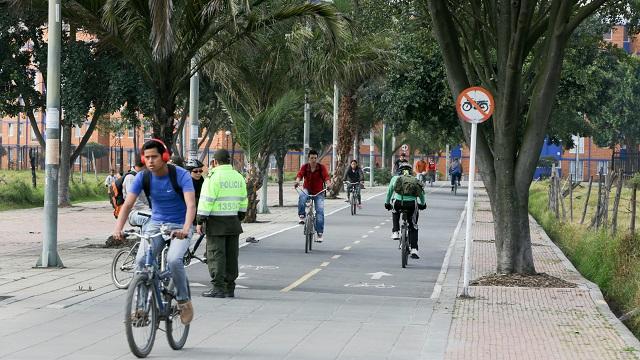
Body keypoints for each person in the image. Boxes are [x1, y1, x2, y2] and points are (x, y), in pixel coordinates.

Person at [112, 139, 196, 325]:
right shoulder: (143, 177)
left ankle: (183, 301)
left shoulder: (180, 175)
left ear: (164, 157)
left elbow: (191, 205)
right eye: (147, 157)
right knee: (141, 261)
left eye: (154, 157)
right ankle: (141, 309)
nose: (150, 161)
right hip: (156, 223)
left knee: (174, 260)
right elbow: (127, 205)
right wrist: (118, 228)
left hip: (181, 224)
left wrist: (185, 228)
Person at [196, 150, 247, 298]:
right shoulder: (238, 177)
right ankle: (229, 287)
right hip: (233, 223)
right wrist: (240, 215)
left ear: (215, 162)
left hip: (216, 224)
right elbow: (244, 199)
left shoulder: (212, 178)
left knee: (216, 256)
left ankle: (218, 288)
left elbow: (206, 201)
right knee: (232, 256)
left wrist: (200, 221)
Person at [384, 163, 426, 259]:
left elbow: (389, 192)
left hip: (398, 202)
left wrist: (387, 203)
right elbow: (421, 194)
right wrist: (423, 204)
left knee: (395, 211)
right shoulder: (415, 179)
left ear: (399, 171)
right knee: (413, 226)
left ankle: (396, 231)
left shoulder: (395, 178)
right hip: (412, 204)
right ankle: (414, 249)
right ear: (410, 171)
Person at [295, 149, 331, 242]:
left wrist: (328, 184)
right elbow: (300, 175)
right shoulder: (305, 167)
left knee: (320, 211)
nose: (313, 160)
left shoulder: (321, 167)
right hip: (307, 189)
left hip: (319, 192)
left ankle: (319, 234)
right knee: (302, 196)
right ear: (308, 158)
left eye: (315, 158)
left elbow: (326, 177)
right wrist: (297, 182)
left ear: (317, 158)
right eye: (312, 158)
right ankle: (302, 216)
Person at [122, 159, 151, 227]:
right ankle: (146, 237)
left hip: (144, 210)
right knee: (153, 218)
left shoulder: (141, 177)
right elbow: (134, 203)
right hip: (134, 212)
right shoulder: (131, 178)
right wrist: (150, 209)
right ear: (144, 166)